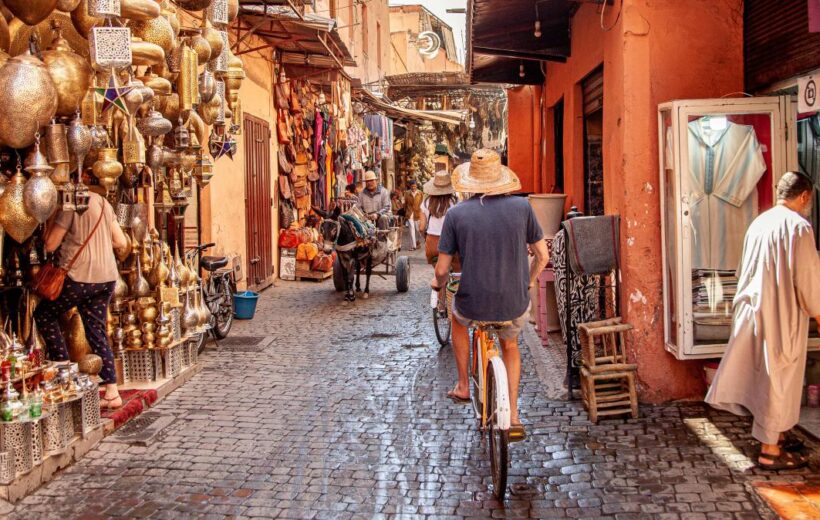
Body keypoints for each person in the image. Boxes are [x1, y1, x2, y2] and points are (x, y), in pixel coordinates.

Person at [431, 149, 549, 440]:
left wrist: (438, 283)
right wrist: (529, 281)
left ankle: (461, 385)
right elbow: (543, 256)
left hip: (474, 302)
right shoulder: (523, 208)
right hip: (514, 301)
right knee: (510, 345)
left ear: (471, 181)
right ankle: (516, 414)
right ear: (501, 179)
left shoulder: (456, 214)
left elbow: (443, 268)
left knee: (458, 322)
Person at [706, 171, 820, 471]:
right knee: (778, 378)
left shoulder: (759, 223)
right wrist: (819, 314)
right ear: (805, 196)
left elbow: (744, 268)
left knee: (765, 378)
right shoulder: (799, 228)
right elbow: (808, 280)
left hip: (752, 311)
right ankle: (770, 451)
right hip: (780, 314)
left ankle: (777, 436)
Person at [35, 190, 129, 409]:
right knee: (96, 330)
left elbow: (49, 244)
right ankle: (112, 391)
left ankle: (62, 371)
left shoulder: (70, 204)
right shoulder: (104, 203)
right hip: (106, 278)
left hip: (79, 277)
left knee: (44, 315)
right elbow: (120, 241)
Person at [419, 170, 459, 270]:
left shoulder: (426, 202)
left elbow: (421, 228)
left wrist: (425, 237)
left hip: (432, 243)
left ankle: (441, 283)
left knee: (439, 272)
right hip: (451, 243)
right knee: (457, 272)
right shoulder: (456, 202)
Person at [404, 179, 423, 250]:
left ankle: (417, 241)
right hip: (410, 213)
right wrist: (406, 212)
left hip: (417, 213)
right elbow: (405, 203)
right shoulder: (407, 193)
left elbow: (422, 203)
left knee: (418, 230)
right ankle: (413, 246)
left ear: (416, 186)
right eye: (412, 186)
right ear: (410, 186)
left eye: (414, 186)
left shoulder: (420, 193)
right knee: (411, 229)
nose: (413, 188)